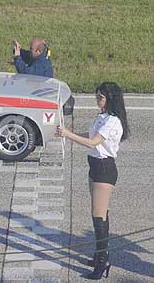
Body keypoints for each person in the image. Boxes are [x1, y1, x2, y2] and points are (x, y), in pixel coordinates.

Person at [57, 82, 129, 279]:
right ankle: (100, 255)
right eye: (97, 96)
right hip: (95, 167)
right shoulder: (103, 117)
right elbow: (89, 136)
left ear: (110, 99)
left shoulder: (113, 121)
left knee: (98, 217)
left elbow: (93, 142)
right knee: (99, 214)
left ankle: (102, 260)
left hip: (104, 170)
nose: (97, 100)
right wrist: (67, 134)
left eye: (101, 97)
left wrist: (67, 133)